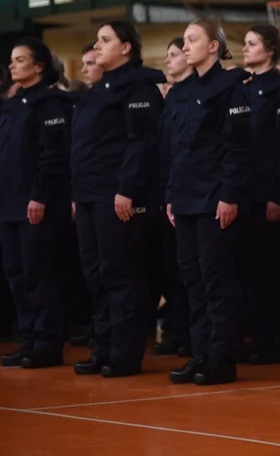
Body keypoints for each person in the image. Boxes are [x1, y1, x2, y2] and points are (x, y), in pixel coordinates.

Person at [71, 20, 165, 378]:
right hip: (89, 195)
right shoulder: (95, 91)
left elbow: (141, 142)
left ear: (126, 47)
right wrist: (77, 194)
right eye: (97, 40)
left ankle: (124, 354)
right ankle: (103, 347)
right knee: (95, 275)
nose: (98, 46)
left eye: (106, 40)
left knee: (120, 274)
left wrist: (126, 188)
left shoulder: (138, 87)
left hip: (117, 197)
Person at [166, 20, 253, 387]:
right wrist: (171, 195)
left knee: (217, 280)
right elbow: (176, 149)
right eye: (184, 40)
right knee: (193, 280)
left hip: (214, 199)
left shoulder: (229, 88)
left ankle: (221, 357)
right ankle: (200, 352)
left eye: (193, 40)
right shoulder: (183, 91)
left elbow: (238, 147)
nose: (186, 47)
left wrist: (229, 194)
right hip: (185, 199)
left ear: (214, 46)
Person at [0, 39, 74, 369]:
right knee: (16, 274)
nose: (12, 65)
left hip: (36, 204)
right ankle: (29, 338)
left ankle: (47, 343)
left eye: (20, 60)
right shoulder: (14, 104)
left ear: (39, 66)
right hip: (11, 204)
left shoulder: (51, 103)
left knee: (39, 274)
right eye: (11, 61)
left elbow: (53, 155)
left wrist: (40, 195)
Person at [239, 25, 280, 365]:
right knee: (249, 267)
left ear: (271, 49)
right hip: (244, 192)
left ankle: (275, 338)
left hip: (269, 193)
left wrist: (279, 195)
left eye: (252, 44)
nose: (245, 49)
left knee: (272, 270)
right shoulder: (242, 89)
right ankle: (256, 334)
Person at [154, 37, 192, 358]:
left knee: (189, 271)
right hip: (166, 194)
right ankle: (178, 330)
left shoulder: (193, 94)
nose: (168, 60)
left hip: (189, 196)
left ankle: (191, 336)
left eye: (175, 53)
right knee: (170, 268)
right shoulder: (172, 95)